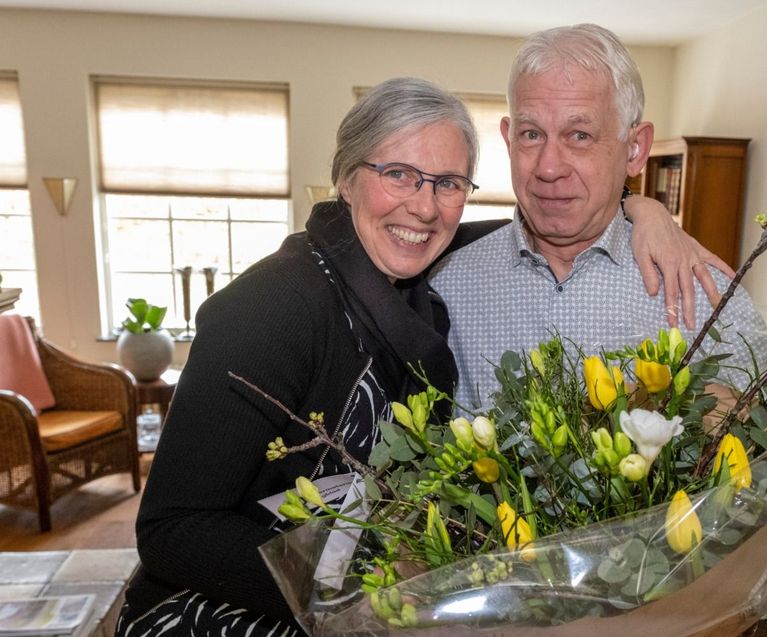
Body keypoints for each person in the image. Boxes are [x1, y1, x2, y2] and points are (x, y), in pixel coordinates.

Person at [116, 76, 723, 636]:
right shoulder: (272, 306)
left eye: (448, 182)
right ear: (348, 177)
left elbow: (542, 221)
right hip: (219, 611)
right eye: (399, 174)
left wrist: (647, 211)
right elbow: (170, 531)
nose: (425, 207)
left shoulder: (407, 275)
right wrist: (365, 598)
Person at [430, 24, 767, 410]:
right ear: (508, 138)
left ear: (635, 148)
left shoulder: (701, 291)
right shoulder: (443, 287)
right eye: (531, 134)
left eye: (579, 135)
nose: (549, 168)